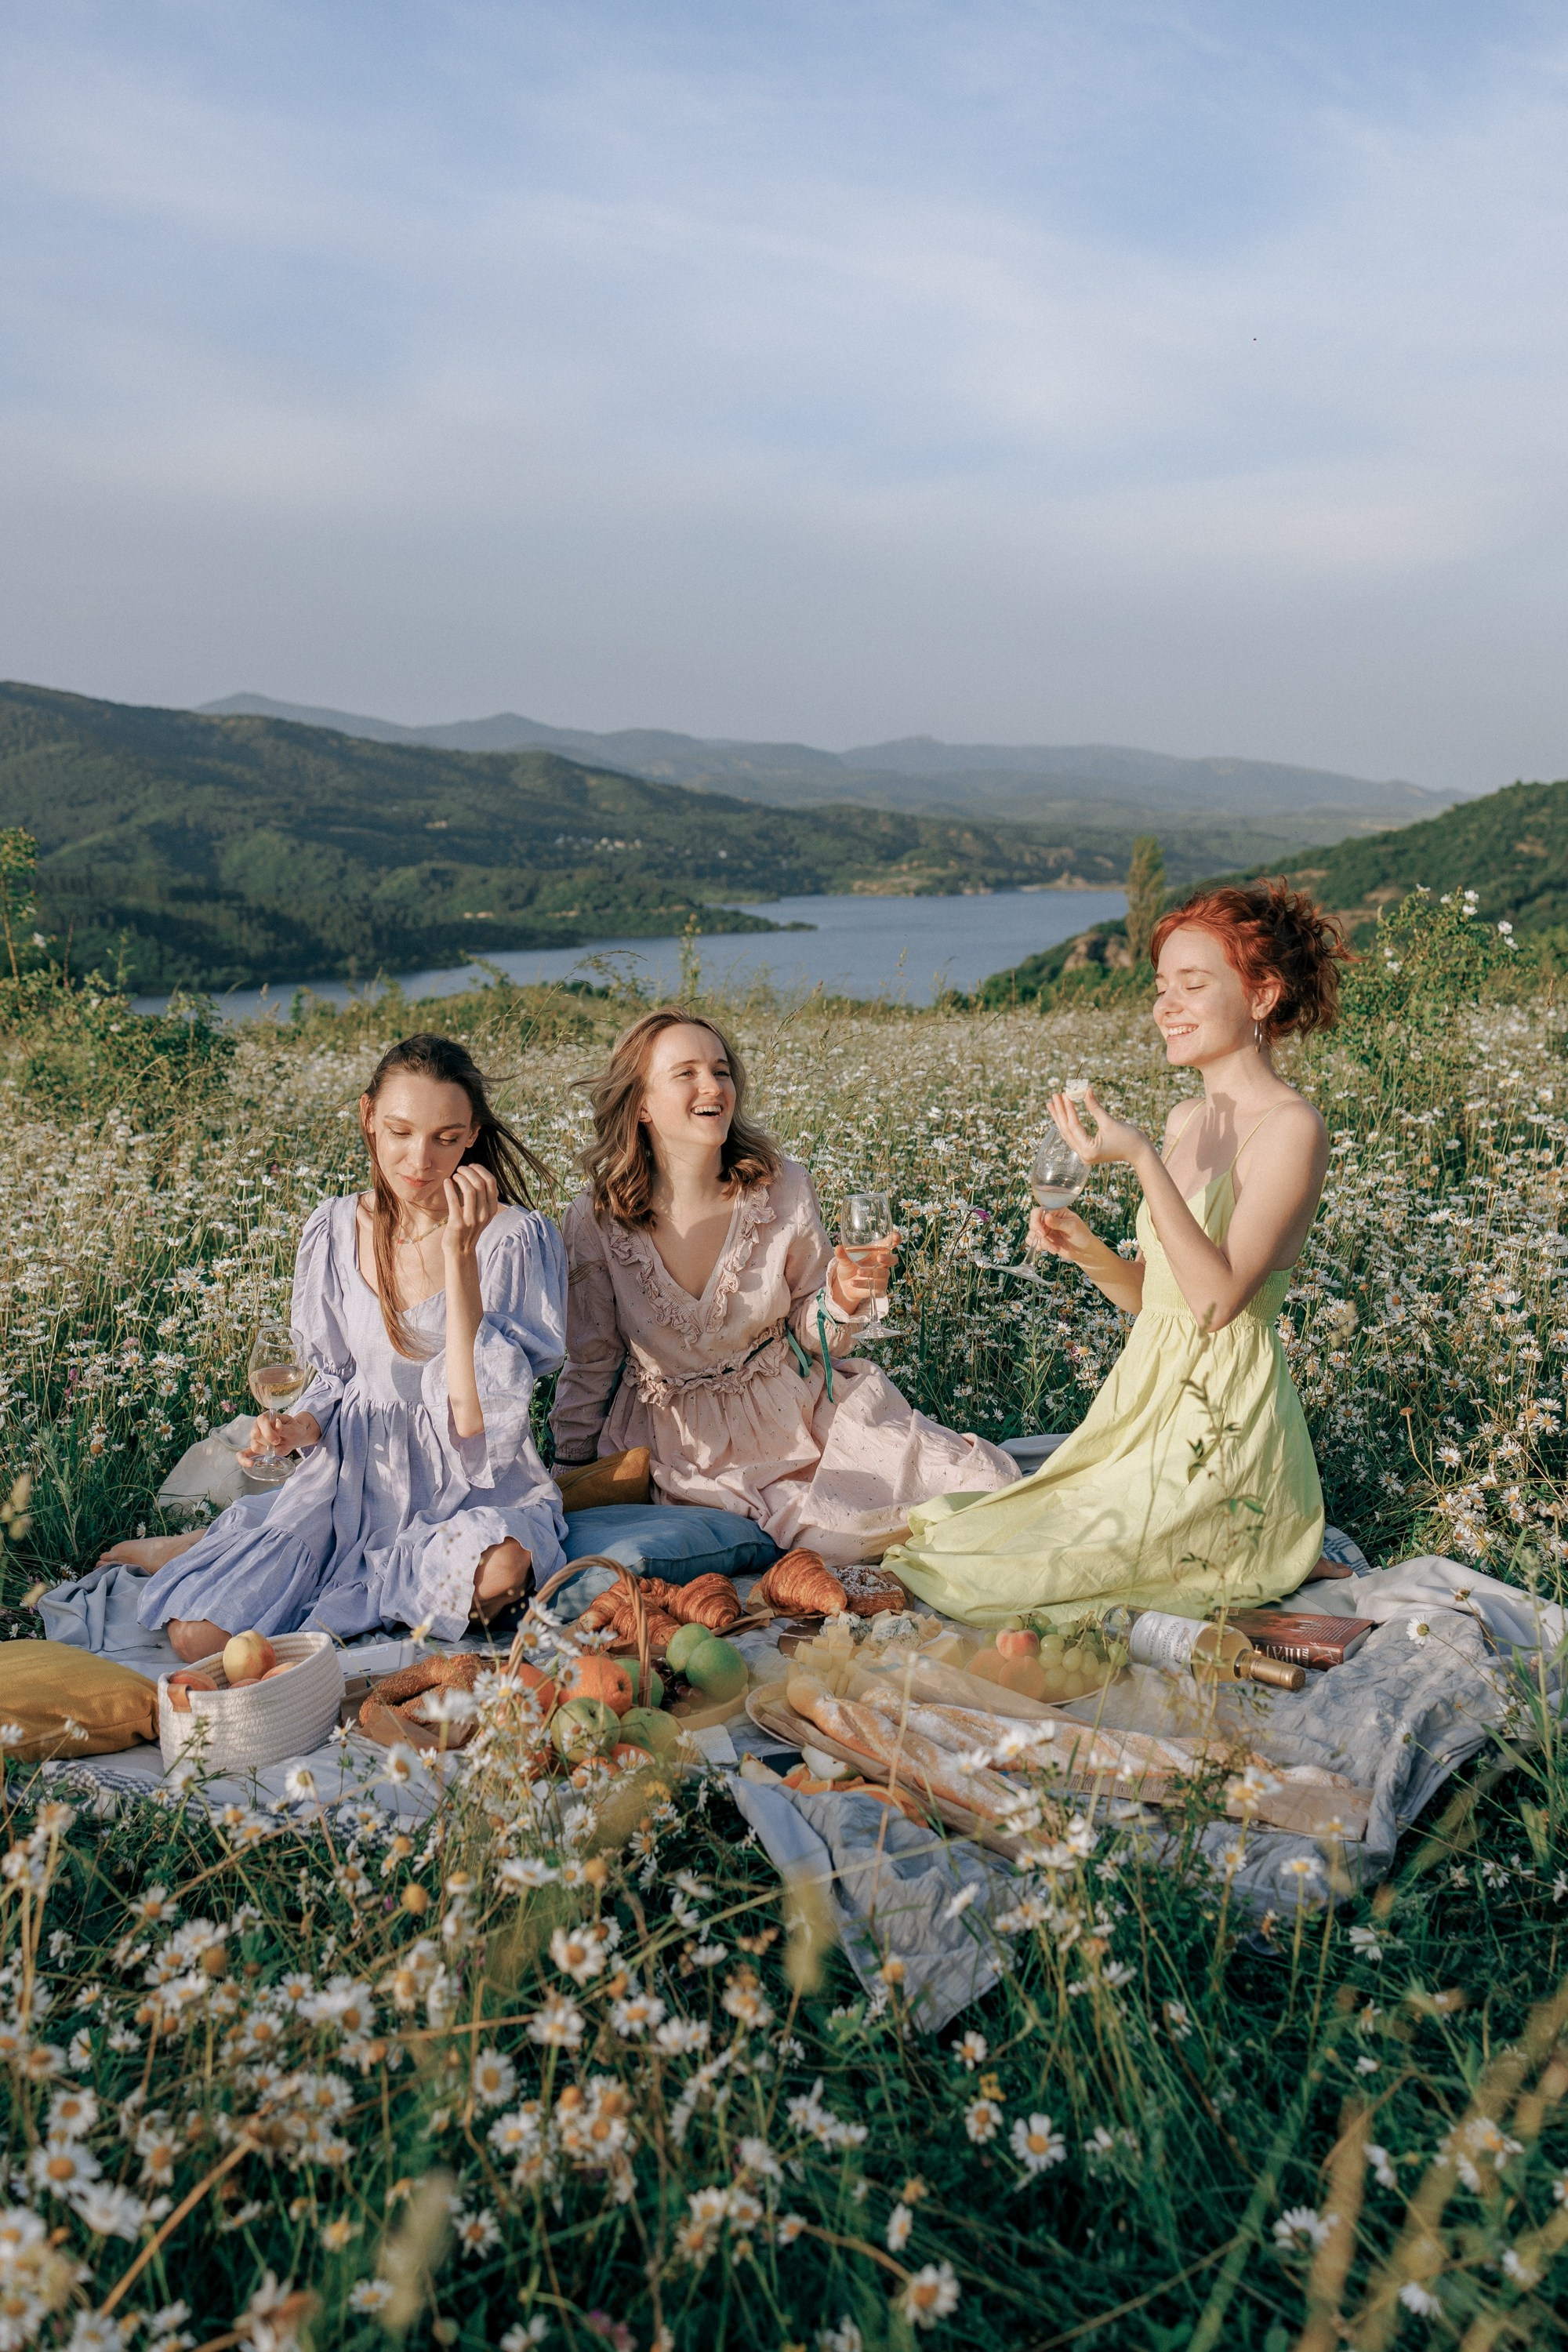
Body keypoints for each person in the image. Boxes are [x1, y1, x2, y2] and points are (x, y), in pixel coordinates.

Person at [884, 880, 1349, 1626]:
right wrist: (1087, 1250)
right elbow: (1158, 1300)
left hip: (1221, 1427)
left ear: (1262, 996)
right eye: (1161, 987)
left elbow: (1217, 1304)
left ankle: (1260, 1529)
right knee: (969, 1539)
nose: (1167, 1006)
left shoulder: (1292, 1128)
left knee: (1008, 1578)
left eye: (1193, 985)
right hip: (1144, 1404)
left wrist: (1139, 1160)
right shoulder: (1186, 1118)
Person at [103, 1034, 568, 1658]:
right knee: (198, 1639)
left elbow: (470, 1420)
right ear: (368, 1116)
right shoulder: (336, 1227)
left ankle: (251, 1551)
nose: (420, 1159)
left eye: (446, 1138)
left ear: (472, 1136)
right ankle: (210, 1545)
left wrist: (461, 1255)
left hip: (466, 1488)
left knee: (500, 1572)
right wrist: (299, 1427)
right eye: (400, 1131)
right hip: (351, 1481)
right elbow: (332, 1378)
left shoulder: (512, 1240)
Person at [550, 1007, 1017, 1565]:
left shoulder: (783, 1186)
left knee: (985, 1483)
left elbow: (810, 1332)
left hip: (801, 1410)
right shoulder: (596, 1220)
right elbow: (593, 1359)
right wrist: (567, 1471)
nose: (712, 1086)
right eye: (687, 1073)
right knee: (839, 1540)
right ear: (641, 1104)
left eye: (721, 1071)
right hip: (685, 1446)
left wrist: (843, 1297)